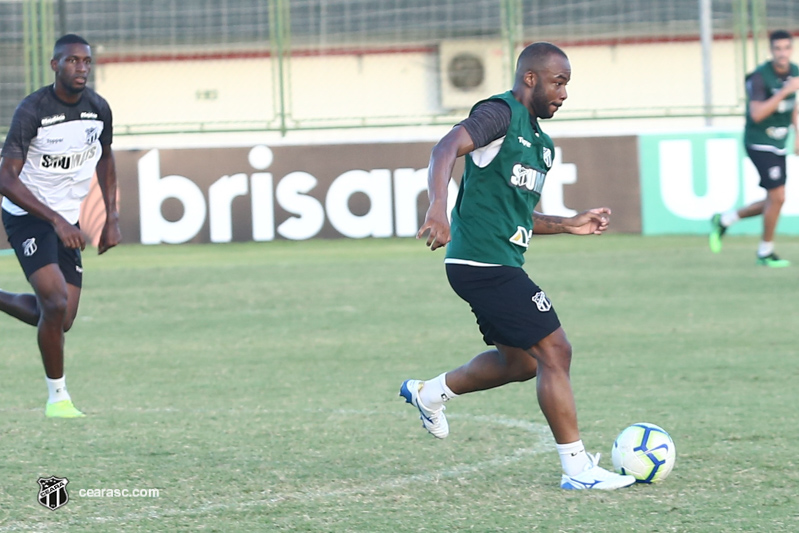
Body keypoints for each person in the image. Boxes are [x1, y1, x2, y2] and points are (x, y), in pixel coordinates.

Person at [399, 42, 635, 490]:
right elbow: (445, 147)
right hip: (483, 263)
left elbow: (518, 216)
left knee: (524, 362)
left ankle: (429, 393)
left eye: (567, 84)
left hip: (497, 261)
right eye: (558, 82)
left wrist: (567, 224)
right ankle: (578, 470)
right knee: (556, 350)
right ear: (531, 78)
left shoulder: (542, 145)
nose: (564, 93)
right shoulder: (499, 115)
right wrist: (437, 207)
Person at [0, 34, 121, 418]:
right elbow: (6, 178)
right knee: (53, 303)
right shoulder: (32, 110)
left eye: (86, 62)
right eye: (72, 61)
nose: (81, 68)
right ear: (55, 65)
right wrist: (54, 220)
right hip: (28, 215)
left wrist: (111, 218)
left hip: (66, 218)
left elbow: (105, 157)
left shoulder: (98, 109)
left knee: (62, 318)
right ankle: (58, 399)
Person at [710, 30, 799, 267]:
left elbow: (794, 106)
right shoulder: (759, 78)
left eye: (786, 48)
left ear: (791, 49)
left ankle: (725, 220)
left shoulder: (795, 72)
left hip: (779, 143)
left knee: (775, 200)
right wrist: (783, 92)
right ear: (771, 50)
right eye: (778, 49)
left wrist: (798, 133)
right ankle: (765, 252)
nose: (782, 53)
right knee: (778, 196)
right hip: (759, 142)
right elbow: (757, 114)